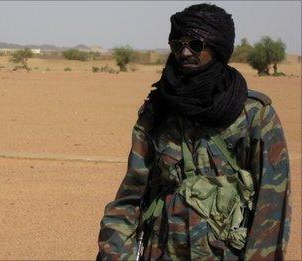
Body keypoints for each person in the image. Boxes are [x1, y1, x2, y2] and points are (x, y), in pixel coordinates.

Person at [97, 4, 290, 260]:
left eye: (195, 44)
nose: (185, 52)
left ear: (217, 47)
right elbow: (130, 198)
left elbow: (271, 209)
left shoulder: (254, 115)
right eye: (177, 45)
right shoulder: (158, 112)